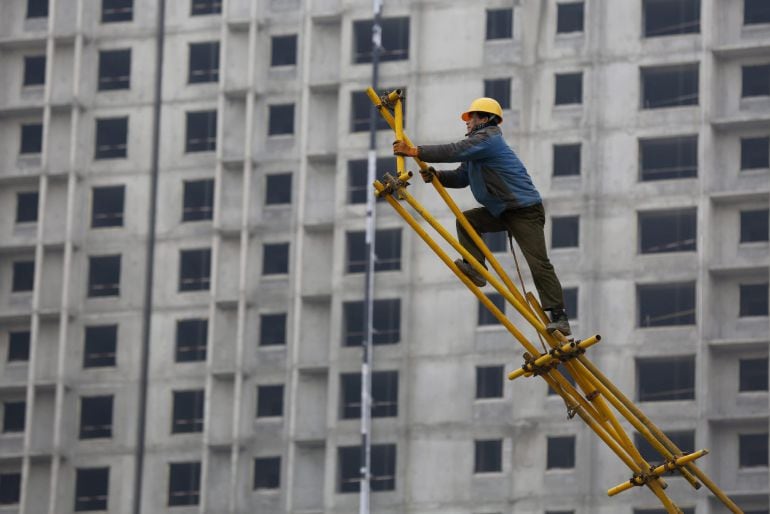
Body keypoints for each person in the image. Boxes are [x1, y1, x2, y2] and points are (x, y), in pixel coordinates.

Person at [392, 97, 572, 336]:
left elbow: (454, 151)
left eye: (471, 118)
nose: (467, 123)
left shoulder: (489, 139)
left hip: (524, 211)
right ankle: (476, 267)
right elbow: (461, 177)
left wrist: (415, 152)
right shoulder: (477, 150)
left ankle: (559, 316)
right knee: (467, 221)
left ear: (484, 120)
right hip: (502, 210)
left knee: (538, 264)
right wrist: (438, 176)